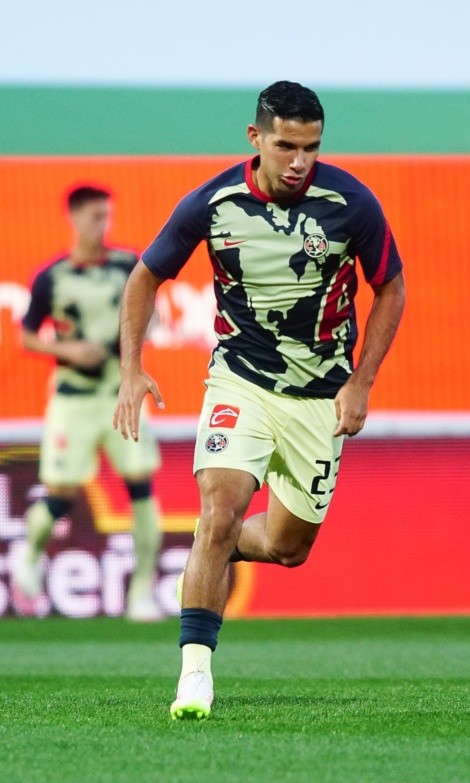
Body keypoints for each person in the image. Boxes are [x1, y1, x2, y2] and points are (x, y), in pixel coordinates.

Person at [114, 81, 405, 718]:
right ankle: (194, 674)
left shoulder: (351, 203)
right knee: (219, 511)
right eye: (285, 145)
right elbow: (145, 276)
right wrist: (131, 368)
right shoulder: (213, 202)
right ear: (256, 139)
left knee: (286, 548)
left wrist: (362, 381)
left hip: (320, 399)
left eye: (311, 147)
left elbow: (391, 288)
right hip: (239, 380)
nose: (299, 160)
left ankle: (212, 545)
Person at [13, 184, 164, 622]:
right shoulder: (53, 277)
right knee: (61, 493)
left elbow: (151, 310)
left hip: (121, 394)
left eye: (108, 217)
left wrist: (138, 333)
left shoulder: (127, 265)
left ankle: (140, 593)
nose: (104, 225)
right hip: (73, 399)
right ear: (75, 218)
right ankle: (30, 554)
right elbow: (26, 335)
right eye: (96, 217)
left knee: (141, 485)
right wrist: (70, 350)